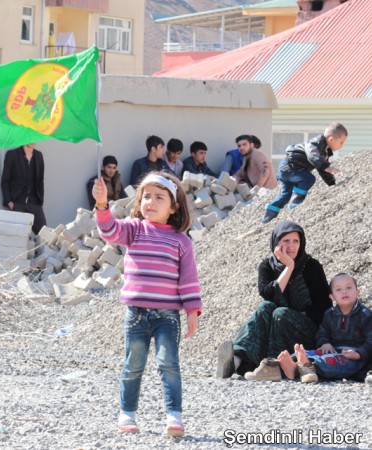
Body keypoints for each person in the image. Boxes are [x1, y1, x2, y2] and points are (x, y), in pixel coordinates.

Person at [92, 170, 202, 437]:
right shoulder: (133, 229)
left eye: (159, 197)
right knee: (133, 365)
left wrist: (192, 312)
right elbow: (109, 231)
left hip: (168, 316)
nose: (150, 202)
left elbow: (188, 280)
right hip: (136, 315)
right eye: (146, 197)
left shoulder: (181, 240)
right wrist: (102, 205)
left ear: (174, 206)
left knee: (168, 364)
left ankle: (174, 416)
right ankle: (127, 414)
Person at [217, 220, 331, 379]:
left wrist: (291, 267)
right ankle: (236, 360)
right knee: (265, 307)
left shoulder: (312, 266)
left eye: (296, 241)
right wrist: (289, 267)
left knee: (280, 313)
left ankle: (271, 364)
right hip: (275, 325)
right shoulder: (266, 266)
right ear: (276, 243)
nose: (291, 246)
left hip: (305, 333)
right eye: (286, 241)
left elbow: (324, 308)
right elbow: (268, 294)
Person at [273, 273, 372, 383]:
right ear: (332, 297)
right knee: (310, 353)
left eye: (349, 288)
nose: (344, 291)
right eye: (338, 289)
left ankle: (306, 366)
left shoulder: (365, 315)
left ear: (357, 292)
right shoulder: (330, 314)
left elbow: (370, 340)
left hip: (353, 357)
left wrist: (359, 353)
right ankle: (293, 364)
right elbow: (322, 333)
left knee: (331, 362)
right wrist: (324, 343)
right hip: (332, 350)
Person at [262, 123, 348, 224]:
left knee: (286, 194)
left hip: (290, 170)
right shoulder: (315, 143)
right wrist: (325, 166)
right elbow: (313, 156)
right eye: (341, 142)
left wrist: (332, 183)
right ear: (331, 139)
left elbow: (322, 169)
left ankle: (268, 216)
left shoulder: (325, 152)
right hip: (289, 168)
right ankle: (295, 204)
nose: (342, 146)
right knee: (309, 179)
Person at [1, 143, 46, 235]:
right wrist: (9, 202)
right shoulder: (12, 155)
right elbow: (5, 181)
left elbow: (40, 181)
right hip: (17, 202)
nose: (34, 141)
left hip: (35, 203)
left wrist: (40, 201)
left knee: (44, 233)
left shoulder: (38, 156)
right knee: (20, 235)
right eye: (31, 138)